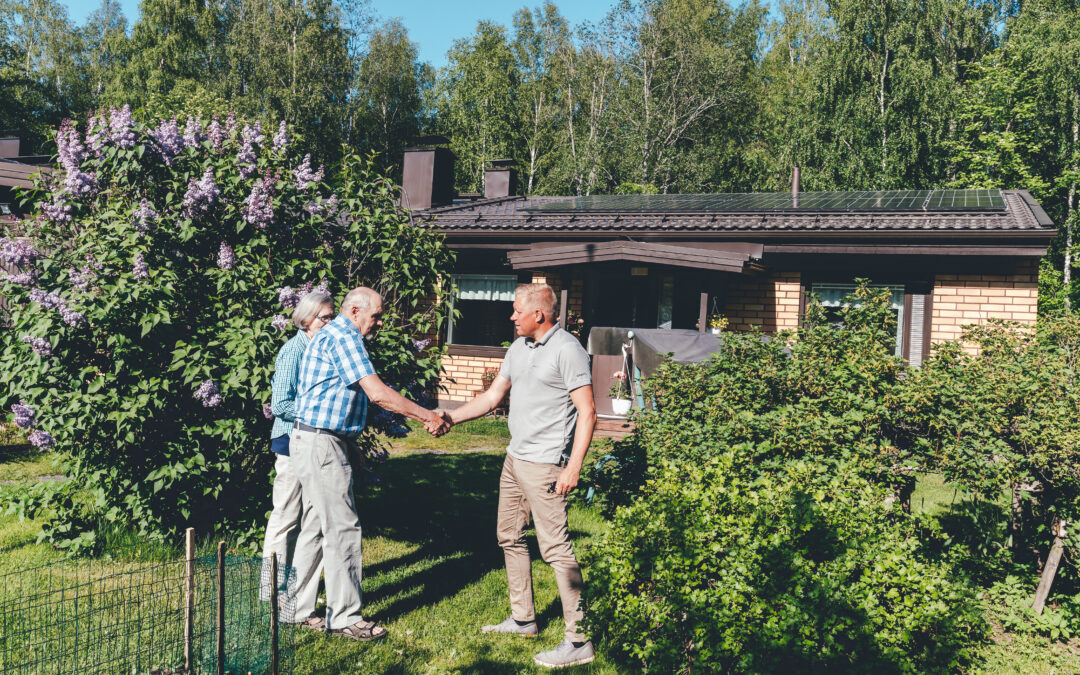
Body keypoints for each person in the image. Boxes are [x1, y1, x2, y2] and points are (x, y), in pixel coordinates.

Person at [438, 283, 597, 669]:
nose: (511, 316)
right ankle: (524, 618)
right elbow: (493, 397)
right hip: (515, 458)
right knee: (509, 536)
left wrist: (572, 467)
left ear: (538, 315)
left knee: (556, 550)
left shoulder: (567, 350)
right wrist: (449, 418)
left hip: (545, 464)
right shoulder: (517, 348)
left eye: (516, 311)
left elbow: (588, 412)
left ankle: (578, 639)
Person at [290, 286, 449, 641]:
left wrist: (350, 446)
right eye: (376, 316)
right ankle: (345, 617)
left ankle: (296, 609)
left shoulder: (334, 334)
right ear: (356, 311)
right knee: (343, 528)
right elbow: (376, 392)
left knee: (316, 527)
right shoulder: (345, 337)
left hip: (317, 439)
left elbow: (334, 399)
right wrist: (427, 416)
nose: (379, 322)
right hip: (320, 442)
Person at [260, 290, 333, 629]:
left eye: (332, 317)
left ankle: (298, 590)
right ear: (306, 322)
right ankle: (270, 590)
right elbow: (280, 404)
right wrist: (318, 414)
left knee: (310, 520)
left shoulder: (320, 348)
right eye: (325, 319)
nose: (330, 323)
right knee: (286, 516)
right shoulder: (293, 350)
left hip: (313, 441)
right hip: (290, 441)